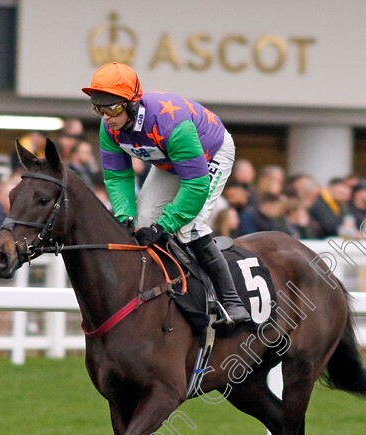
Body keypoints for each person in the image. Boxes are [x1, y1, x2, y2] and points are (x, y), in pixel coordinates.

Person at [83, 62, 250, 326]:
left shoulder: (171, 125)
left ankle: (232, 301)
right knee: (141, 223)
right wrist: (124, 214)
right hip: (169, 161)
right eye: (98, 109)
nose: (106, 117)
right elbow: (118, 176)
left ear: (132, 103)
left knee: (189, 228)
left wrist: (165, 225)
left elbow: (195, 184)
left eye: (112, 108)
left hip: (209, 156)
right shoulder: (110, 128)